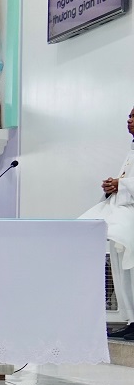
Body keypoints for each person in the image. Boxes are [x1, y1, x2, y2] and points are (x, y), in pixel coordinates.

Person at [82, 107, 134, 338]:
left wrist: (119, 185)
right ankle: (131, 317)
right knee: (122, 266)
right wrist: (112, 186)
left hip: (129, 217)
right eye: (129, 116)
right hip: (123, 214)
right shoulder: (131, 151)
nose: (129, 121)